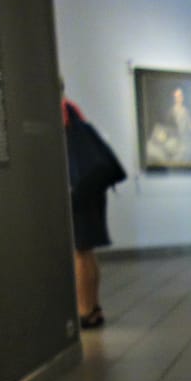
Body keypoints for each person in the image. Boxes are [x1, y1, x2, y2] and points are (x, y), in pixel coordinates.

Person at [63, 99, 126, 329]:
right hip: (92, 190)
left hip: (78, 191)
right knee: (86, 252)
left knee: (80, 252)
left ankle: (84, 310)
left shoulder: (61, 113)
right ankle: (94, 306)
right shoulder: (74, 110)